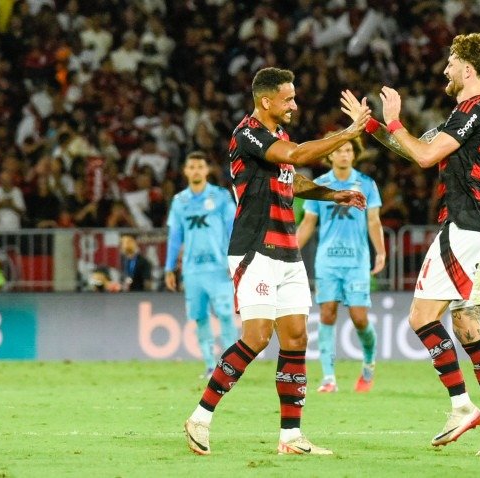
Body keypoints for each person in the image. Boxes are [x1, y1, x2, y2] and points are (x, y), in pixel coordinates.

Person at [340, 33, 480, 456]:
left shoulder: (471, 112)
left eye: (451, 63)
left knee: (422, 318)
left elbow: (422, 156)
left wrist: (396, 117)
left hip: (460, 228)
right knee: (467, 324)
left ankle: (462, 407)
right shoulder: (472, 113)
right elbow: (413, 150)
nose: (445, 70)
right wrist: (371, 125)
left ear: (468, 70)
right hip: (476, 229)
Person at [184, 67, 368, 457]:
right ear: (266, 101)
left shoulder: (278, 137)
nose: (294, 105)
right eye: (288, 99)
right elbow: (297, 155)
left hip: (287, 251)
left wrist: (333, 195)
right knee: (256, 337)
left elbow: (293, 178)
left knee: (297, 338)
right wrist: (349, 132)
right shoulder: (247, 133)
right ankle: (200, 416)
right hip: (255, 249)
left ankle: (290, 436)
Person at [296, 136, 385, 394]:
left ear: (353, 155)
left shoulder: (366, 184)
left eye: (348, 150)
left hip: (357, 262)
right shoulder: (319, 186)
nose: (344, 154)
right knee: (327, 314)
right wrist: (289, 251)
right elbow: (308, 223)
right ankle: (328, 378)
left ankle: (368, 363)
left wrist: (380, 252)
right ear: (330, 156)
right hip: (327, 262)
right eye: (339, 150)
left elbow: (373, 221)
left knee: (359, 318)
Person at [165, 151, 238, 379]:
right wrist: (169, 267)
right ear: (186, 171)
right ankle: (210, 366)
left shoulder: (221, 197)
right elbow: (175, 236)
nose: (196, 170)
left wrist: (234, 259)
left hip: (219, 268)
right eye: (192, 167)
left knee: (226, 315)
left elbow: (232, 229)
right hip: (193, 270)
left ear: (207, 170)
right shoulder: (180, 202)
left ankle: (231, 367)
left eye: (200, 166)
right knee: (200, 317)